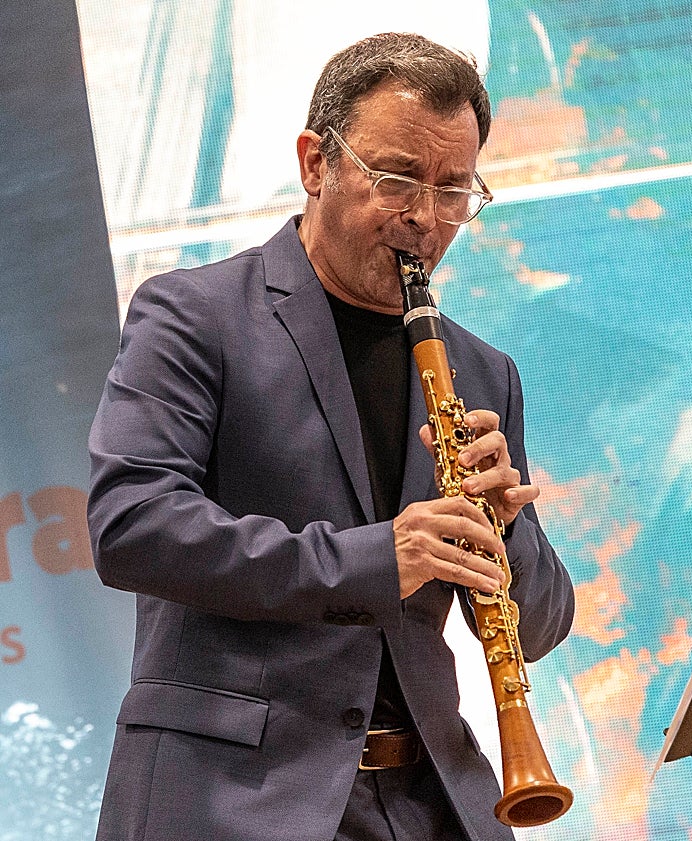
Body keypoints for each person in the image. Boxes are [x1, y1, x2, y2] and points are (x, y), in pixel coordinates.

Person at [87, 32, 574, 841]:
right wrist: (380, 557)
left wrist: (508, 527)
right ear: (316, 163)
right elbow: (132, 527)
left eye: (453, 190)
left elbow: (543, 627)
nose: (424, 217)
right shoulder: (192, 315)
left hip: (429, 806)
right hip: (232, 801)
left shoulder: (484, 372)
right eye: (397, 179)